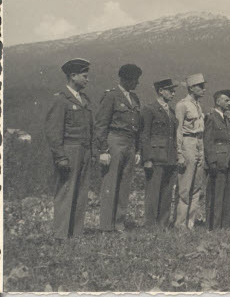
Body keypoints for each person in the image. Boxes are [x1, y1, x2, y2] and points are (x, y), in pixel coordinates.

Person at [45, 58, 93, 240]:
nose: (87, 80)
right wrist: (60, 157)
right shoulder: (61, 100)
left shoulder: (85, 100)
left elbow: (90, 128)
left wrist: (91, 152)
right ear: (73, 76)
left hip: (84, 151)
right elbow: (53, 131)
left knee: (81, 192)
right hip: (69, 150)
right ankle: (61, 236)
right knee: (66, 191)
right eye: (84, 76)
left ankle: (76, 234)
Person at [95, 64, 142, 232]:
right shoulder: (111, 96)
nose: (137, 83)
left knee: (125, 185)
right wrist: (103, 150)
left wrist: (137, 150)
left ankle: (119, 223)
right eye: (135, 80)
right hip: (114, 141)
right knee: (111, 183)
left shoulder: (135, 98)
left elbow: (137, 126)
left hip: (130, 143)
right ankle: (106, 226)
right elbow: (101, 124)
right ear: (126, 79)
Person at [141, 78, 178, 229]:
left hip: (169, 156)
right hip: (156, 156)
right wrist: (147, 158)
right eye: (170, 90)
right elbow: (145, 135)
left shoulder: (171, 112)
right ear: (160, 91)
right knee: (153, 192)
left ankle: (163, 223)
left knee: (167, 192)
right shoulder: (150, 109)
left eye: (173, 90)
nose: (173, 93)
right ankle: (150, 225)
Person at [174, 73, 206, 230]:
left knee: (197, 187)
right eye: (200, 86)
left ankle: (190, 223)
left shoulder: (198, 105)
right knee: (185, 187)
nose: (203, 89)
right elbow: (178, 130)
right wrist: (179, 153)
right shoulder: (182, 105)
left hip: (199, 143)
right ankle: (180, 224)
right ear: (192, 87)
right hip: (188, 142)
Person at [204, 90, 230, 230]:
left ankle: (224, 226)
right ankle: (214, 226)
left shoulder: (226, 119)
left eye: (229, 100)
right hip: (218, 162)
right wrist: (212, 161)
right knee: (217, 196)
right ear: (218, 102)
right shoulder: (212, 118)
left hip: (228, 161)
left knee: (227, 196)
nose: (229, 103)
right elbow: (208, 140)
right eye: (226, 100)